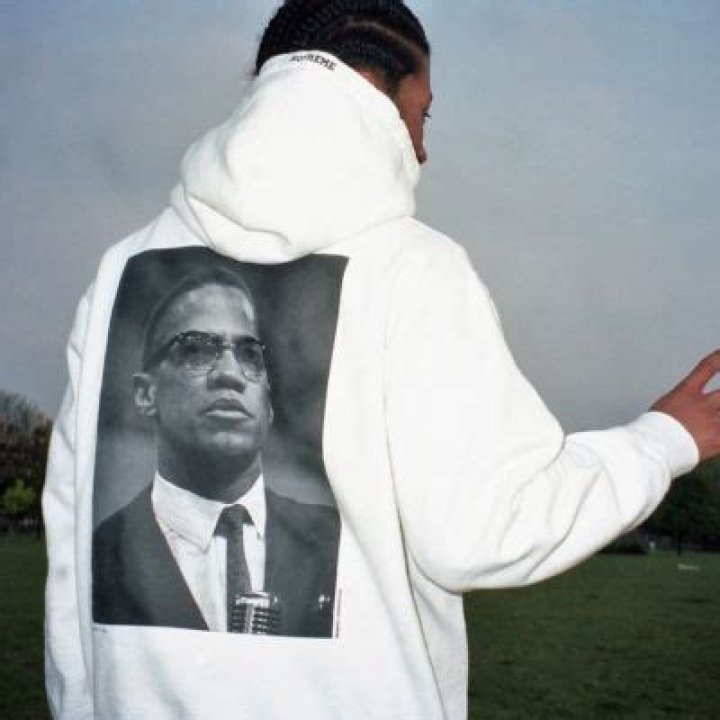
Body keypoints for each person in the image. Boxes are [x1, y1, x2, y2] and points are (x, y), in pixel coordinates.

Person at [43, 2, 720, 719]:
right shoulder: (415, 266)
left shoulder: (120, 268)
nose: (421, 150)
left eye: (249, 352)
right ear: (374, 88)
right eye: (422, 116)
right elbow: (485, 532)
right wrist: (663, 441)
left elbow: (67, 554)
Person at [92, 268, 339, 637]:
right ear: (146, 394)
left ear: (268, 404)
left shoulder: (337, 544)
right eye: (196, 350)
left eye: (250, 355)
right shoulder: (100, 558)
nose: (230, 374)